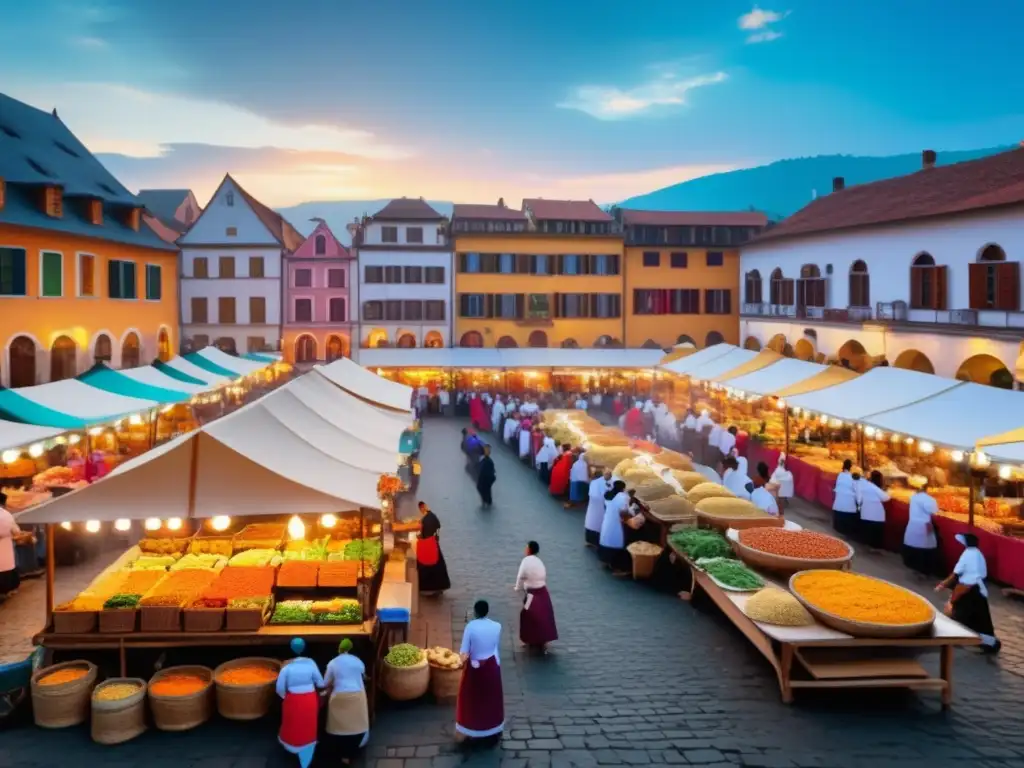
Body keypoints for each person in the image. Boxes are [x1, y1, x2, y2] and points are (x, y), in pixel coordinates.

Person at [937, 533, 1001, 653]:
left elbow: (955, 573)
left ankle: (961, 637)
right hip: (978, 589)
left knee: (961, 615)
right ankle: (987, 640)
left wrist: (943, 584)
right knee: (980, 618)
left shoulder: (967, 554)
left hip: (967, 590)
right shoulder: (978, 554)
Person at [456, 600, 504, 743]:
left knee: (472, 699)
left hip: (474, 669)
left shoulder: (470, 627)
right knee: (490, 698)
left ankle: (471, 727)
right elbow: (494, 646)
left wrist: (459, 662)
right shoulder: (497, 626)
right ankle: (492, 727)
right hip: (491, 666)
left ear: (475, 611)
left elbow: (464, 652)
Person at [276, 638, 325, 768]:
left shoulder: (286, 668)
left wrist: (287, 697)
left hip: (292, 699)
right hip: (309, 699)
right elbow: (320, 683)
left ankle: (292, 747)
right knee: (308, 724)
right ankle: (306, 756)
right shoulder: (311, 664)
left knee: (292, 723)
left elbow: (279, 688)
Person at [322, 638, 370, 765]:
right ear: (350, 648)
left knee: (338, 727)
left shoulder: (332, 663)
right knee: (357, 724)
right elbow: (363, 675)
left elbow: (325, 682)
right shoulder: (357, 661)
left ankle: (343, 754)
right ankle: (351, 752)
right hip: (357, 697)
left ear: (339, 649)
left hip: (339, 697)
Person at [515, 541, 558, 652]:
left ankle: (530, 639)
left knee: (526, 614)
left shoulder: (525, 561)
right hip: (543, 592)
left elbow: (520, 576)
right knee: (545, 616)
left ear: (529, 550)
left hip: (531, 595)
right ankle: (543, 640)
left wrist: (517, 588)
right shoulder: (540, 562)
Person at [903, 477, 939, 576]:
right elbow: (934, 511)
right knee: (926, 547)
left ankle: (914, 567)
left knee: (913, 545)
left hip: (913, 524)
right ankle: (923, 570)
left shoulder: (913, 497)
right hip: (924, 525)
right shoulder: (930, 499)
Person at [416, 502, 451, 594]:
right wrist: (437, 537)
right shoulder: (433, 516)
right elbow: (438, 527)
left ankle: (426, 587)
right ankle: (440, 587)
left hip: (427, 544)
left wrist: (419, 537)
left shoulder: (424, 520)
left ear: (422, 508)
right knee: (438, 565)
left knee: (426, 565)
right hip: (434, 543)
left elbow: (421, 533)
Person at [598, 481, 631, 575]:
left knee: (607, 539)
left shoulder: (608, 495)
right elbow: (624, 513)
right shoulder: (622, 497)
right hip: (616, 525)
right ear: (623, 488)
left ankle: (606, 561)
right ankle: (617, 566)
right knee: (618, 541)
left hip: (607, 523)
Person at [857, 470, 889, 549]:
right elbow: (886, 498)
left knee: (867, 534)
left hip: (865, 514)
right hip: (876, 517)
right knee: (875, 537)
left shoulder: (864, 485)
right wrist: (889, 491)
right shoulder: (875, 488)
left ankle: (867, 547)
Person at [0, 491, 21, 598]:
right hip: (5, 547)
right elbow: (16, 531)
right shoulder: (6, 514)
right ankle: (7, 590)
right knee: (6, 569)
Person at [831, 459, 858, 536]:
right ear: (851, 467)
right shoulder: (853, 478)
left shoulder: (840, 475)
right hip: (848, 508)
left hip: (838, 506)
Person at [585, 470, 612, 548]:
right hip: (600, 507)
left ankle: (589, 541)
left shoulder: (592, 483)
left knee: (590, 522)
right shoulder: (605, 485)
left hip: (592, 507)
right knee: (598, 524)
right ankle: (596, 543)